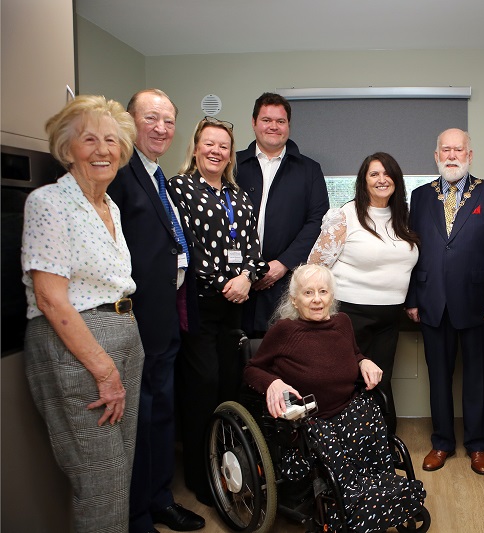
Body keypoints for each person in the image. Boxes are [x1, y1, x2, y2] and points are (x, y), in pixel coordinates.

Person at [21, 95, 144, 532]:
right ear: (67, 147)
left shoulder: (109, 207)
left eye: (111, 140)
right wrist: (104, 370)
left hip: (124, 340)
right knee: (99, 483)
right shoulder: (49, 202)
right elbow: (52, 298)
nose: (103, 150)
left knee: (118, 473)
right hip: (79, 349)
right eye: (89, 139)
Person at [242, 264, 426, 533]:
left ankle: (385, 495)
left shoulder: (342, 323)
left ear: (332, 296)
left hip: (348, 408)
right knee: (337, 461)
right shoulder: (285, 331)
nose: (317, 299)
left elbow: (351, 354)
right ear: (294, 300)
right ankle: (351, 511)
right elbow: (251, 369)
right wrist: (273, 382)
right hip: (310, 419)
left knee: (374, 419)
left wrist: (363, 362)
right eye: (308, 293)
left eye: (323, 291)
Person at [108, 89, 204, 532]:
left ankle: (160, 499)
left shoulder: (156, 176)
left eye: (168, 120)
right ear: (129, 122)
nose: (162, 128)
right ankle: (137, 514)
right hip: (134, 320)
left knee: (161, 415)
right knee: (140, 422)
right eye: (151, 118)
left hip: (165, 320)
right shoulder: (118, 174)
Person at [167, 117, 269, 505]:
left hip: (235, 307)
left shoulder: (238, 195)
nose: (216, 151)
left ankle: (229, 468)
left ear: (230, 154)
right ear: (195, 148)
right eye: (208, 144)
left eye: (223, 146)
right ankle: (199, 476)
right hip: (198, 305)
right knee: (201, 389)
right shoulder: (178, 190)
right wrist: (224, 282)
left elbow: (253, 251)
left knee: (230, 388)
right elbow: (184, 249)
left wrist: (245, 277)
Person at [406, 128, 484, 476]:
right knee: (439, 377)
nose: (451, 156)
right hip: (432, 300)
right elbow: (411, 252)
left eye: (458, 150)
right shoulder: (419, 197)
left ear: (470, 155)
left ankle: (478, 445)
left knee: (478, 377)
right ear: (436, 156)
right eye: (445, 150)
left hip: (478, 303)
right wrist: (413, 298)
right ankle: (442, 442)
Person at [308, 152, 419, 435]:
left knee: (381, 380)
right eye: (374, 174)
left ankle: (382, 444)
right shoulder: (344, 215)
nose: (382, 180)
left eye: (387, 174)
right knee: (350, 381)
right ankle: (345, 447)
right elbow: (315, 267)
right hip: (349, 314)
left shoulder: (403, 217)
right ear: (363, 181)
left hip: (390, 317)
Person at [236, 92, 329, 337]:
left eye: (281, 121)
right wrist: (246, 270)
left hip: (285, 281)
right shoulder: (232, 166)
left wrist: (281, 265)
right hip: (235, 281)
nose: (273, 127)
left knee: (282, 354)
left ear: (288, 125)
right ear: (254, 122)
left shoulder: (309, 170)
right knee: (235, 359)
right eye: (267, 120)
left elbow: (316, 222)